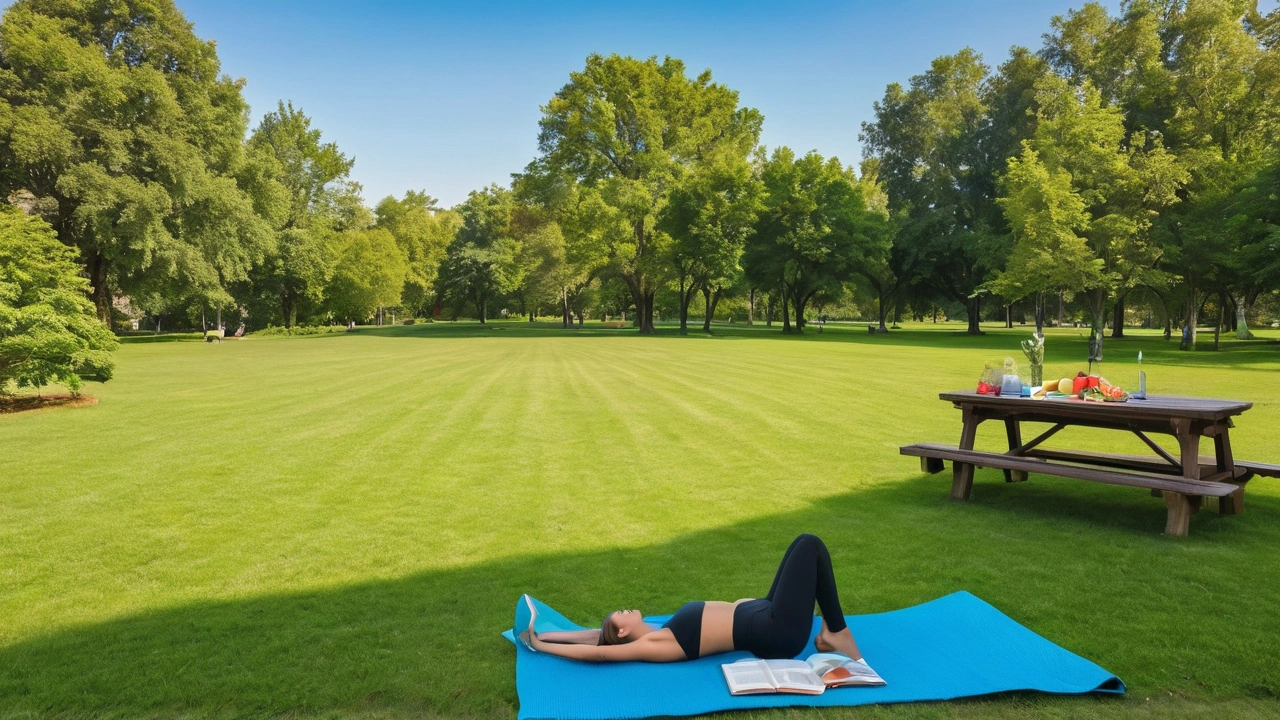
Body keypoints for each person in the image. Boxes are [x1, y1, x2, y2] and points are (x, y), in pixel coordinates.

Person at [519, 534, 863, 663]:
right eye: (618, 615)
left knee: (799, 546)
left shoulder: (656, 628)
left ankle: (832, 634)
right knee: (810, 546)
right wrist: (544, 647)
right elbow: (599, 654)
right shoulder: (656, 643)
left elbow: (593, 636)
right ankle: (836, 633)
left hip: (764, 612)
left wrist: (548, 634)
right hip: (776, 632)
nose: (622, 609)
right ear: (623, 633)